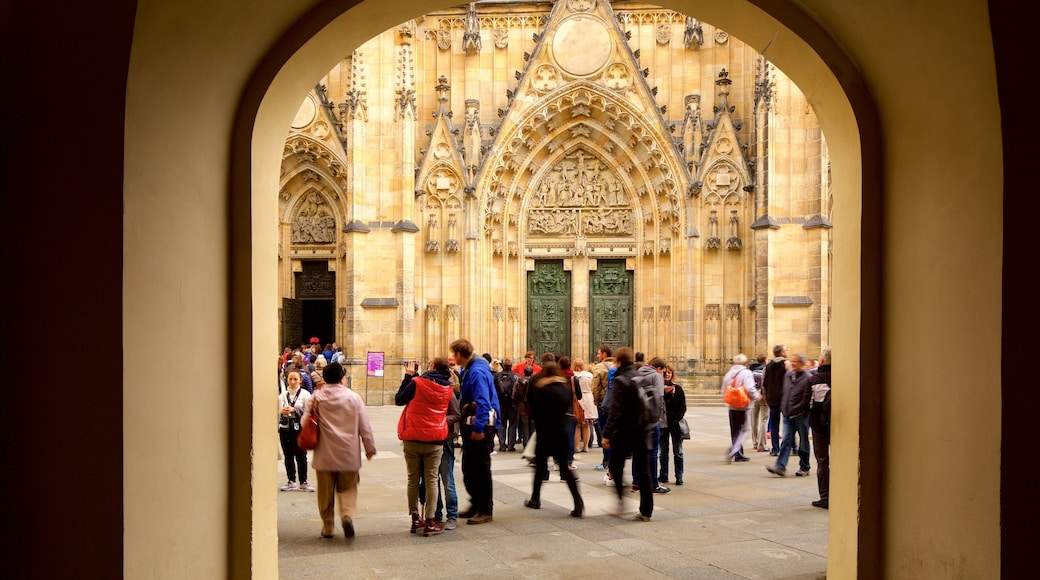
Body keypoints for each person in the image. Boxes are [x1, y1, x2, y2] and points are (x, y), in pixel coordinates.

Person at [302, 361, 377, 539]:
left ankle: (328, 526)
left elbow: (305, 422)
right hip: (348, 453)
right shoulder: (354, 398)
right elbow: (364, 426)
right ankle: (346, 515)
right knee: (349, 488)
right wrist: (369, 447)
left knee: (325, 492)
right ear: (342, 377)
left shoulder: (316, 397)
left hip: (324, 454)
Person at [395, 358, 453, 536]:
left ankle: (414, 519)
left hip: (412, 438)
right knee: (431, 479)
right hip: (434, 440)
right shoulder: (448, 388)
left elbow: (399, 399)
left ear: (433, 366)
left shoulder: (415, 383)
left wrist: (409, 376)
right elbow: (429, 391)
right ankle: (430, 521)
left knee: (413, 479)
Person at [522, 362, 585, 518]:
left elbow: (535, 411)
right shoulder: (564, 389)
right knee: (564, 468)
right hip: (561, 433)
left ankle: (535, 499)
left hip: (545, 433)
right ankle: (578, 502)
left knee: (540, 468)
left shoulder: (543, 389)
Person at [451, 338, 500, 525]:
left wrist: (479, 428)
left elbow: (483, 401)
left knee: (480, 469)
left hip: (481, 425)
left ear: (458, 354)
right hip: (474, 424)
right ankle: (476, 503)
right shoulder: (472, 368)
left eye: (453, 354)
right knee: (469, 468)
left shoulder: (477, 371)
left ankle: (485, 510)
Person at [602, 347, 654, 521]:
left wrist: (606, 434)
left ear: (619, 361)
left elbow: (615, 410)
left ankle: (621, 501)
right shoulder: (641, 376)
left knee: (616, 467)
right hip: (642, 430)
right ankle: (646, 511)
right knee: (643, 470)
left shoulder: (620, 380)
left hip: (624, 432)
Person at [766, 353, 813, 477]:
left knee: (803, 442)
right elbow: (785, 392)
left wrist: (803, 410)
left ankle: (804, 466)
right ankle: (780, 466)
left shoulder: (808, 377)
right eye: (792, 361)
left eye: (795, 361)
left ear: (802, 364)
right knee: (786, 440)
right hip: (788, 414)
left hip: (801, 415)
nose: (792, 363)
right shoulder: (788, 375)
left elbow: (808, 397)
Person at [632, 357, 670, 494]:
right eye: (663, 372)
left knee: (638, 452)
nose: (664, 375)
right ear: (659, 368)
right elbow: (659, 399)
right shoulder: (656, 376)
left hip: (637, 419)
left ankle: (636, 482)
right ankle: (653, 483)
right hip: (652, 420)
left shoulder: (637, 372)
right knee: (653, 452)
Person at [278, 370, 314, 492]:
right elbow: (275, 411)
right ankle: (291, 480)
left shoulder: (305, 394)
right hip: (285, 429)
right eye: (290, 379)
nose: (292, 382)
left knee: (301, 456)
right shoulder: (282, 395)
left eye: (295, 379)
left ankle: (303, 481)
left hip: (300, 429)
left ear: (300, 380)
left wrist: (295, 409)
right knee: (288, 455)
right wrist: (281, 411)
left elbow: (310, 412)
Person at [722, 354, 761, 462]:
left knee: (735, 430)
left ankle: (738, 454)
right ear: (745, 363)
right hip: (743, 405)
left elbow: (724, 390)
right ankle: (734, 450)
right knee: (744, 430)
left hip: (732, 406)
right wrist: (757, 396)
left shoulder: (729, 373)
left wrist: (728, 402)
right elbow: (750, 388)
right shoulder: (746, 373)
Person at [808, 347, 832, 508]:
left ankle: (825, 496)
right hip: (843, 424)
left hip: (819, 426)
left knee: (822, 460)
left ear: (821, 361)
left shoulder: (815, 379)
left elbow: (807, 403)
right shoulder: (845, 377)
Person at [659, 363, 687, 486]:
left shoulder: (678, 389)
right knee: (663, 451)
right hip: (663, 424)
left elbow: (683, 406)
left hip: (674, 424)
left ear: (672, 374)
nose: (667, 375)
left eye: (669, 373)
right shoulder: (659, 389)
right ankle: (663, 475)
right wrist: (665, 392)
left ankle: (679, 476)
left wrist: (677, 418)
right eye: (665, 373)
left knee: (678, 451)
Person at [590, 344, 616, 471]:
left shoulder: (599, 367)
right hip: (617, 403)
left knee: (605, 431)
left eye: (599, 353)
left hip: (604, 403)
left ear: (605, 354)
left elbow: (595, 387)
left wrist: (595, 401)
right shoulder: (617, 365)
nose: (597, 355)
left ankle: (606, 460)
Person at [762, 345, 789, 456]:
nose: (787, 351)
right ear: (782, 352)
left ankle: (775, 448)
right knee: (788, 423)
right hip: (785, 399)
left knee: (774, 424)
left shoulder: (768, 366)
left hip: (772, 399)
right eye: (786, 350)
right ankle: (790, 447)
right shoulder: (787, 365)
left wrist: (766, 398)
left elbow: (764, 383)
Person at [493, 359, 520, 452]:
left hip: (500, 402)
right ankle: (511, 445)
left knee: (501, 423)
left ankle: (502, 444)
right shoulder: (516, 376)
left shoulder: (496, 376)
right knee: (513, 424)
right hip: (512, 403)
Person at [573, 358, 597, 453]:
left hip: (577, 399)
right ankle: (586, 446)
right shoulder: (589, 375)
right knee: (586, 425)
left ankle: (577, 446)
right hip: (588, 398)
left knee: (578, 425)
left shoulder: (573, 375)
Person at [750, 356, 769, 452]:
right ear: (765, 361)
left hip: (753, 396)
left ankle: (755, 442)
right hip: (762, 396)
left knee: (754, 419)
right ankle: (762, 445)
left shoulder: (752, 371)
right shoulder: (766, 370)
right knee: (764, 420)